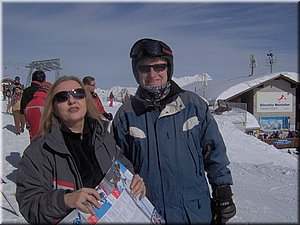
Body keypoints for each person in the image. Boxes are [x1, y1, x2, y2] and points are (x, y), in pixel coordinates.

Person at [112, 38, 236, 224]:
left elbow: (214, 152)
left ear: (168, 69)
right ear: (136, 72)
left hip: (194, 212)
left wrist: (222, 191)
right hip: (149, 212)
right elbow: (117, 163)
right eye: (145, 68)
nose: (152, 74)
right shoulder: (126, 115)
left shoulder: (193, 105)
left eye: (159, 67)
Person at [16, 76, 146, 224]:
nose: (72, 100)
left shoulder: (103, 136)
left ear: (86, 100)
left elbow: (122, 164)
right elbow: (29, 204)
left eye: (78, 94)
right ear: (54, 108)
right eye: (63, 97)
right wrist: (65, 200)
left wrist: (133, 178)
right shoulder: (39, 151)